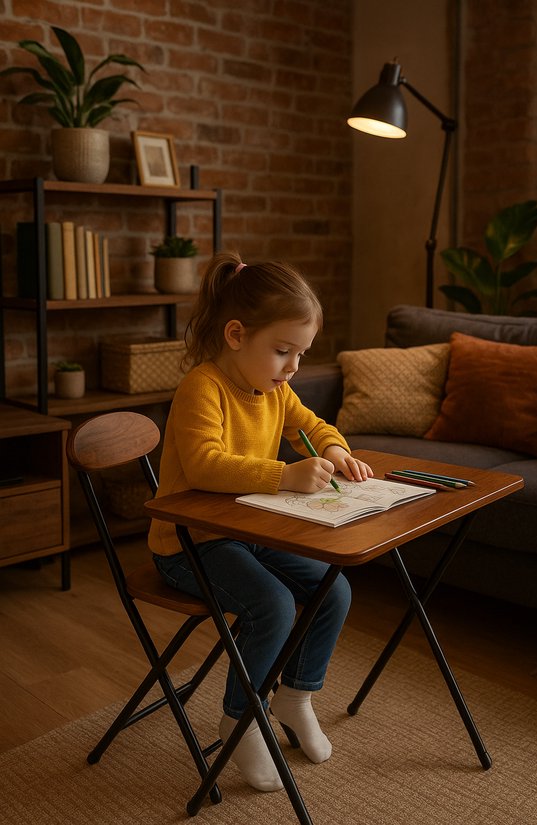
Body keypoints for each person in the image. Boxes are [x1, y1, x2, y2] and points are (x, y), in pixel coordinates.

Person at [149, 251, 373, 792]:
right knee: (272, 605)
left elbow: (312, 425)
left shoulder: (274, 389)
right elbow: (204, 465)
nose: (292, 367)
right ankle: (240, 718)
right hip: (187, 544)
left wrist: (335, 450)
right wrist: (285, 475)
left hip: (246, 534)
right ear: (235, 335)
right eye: (282, 350)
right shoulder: (202, 387)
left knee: (333, 588)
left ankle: (295, 698)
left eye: (301, 354)